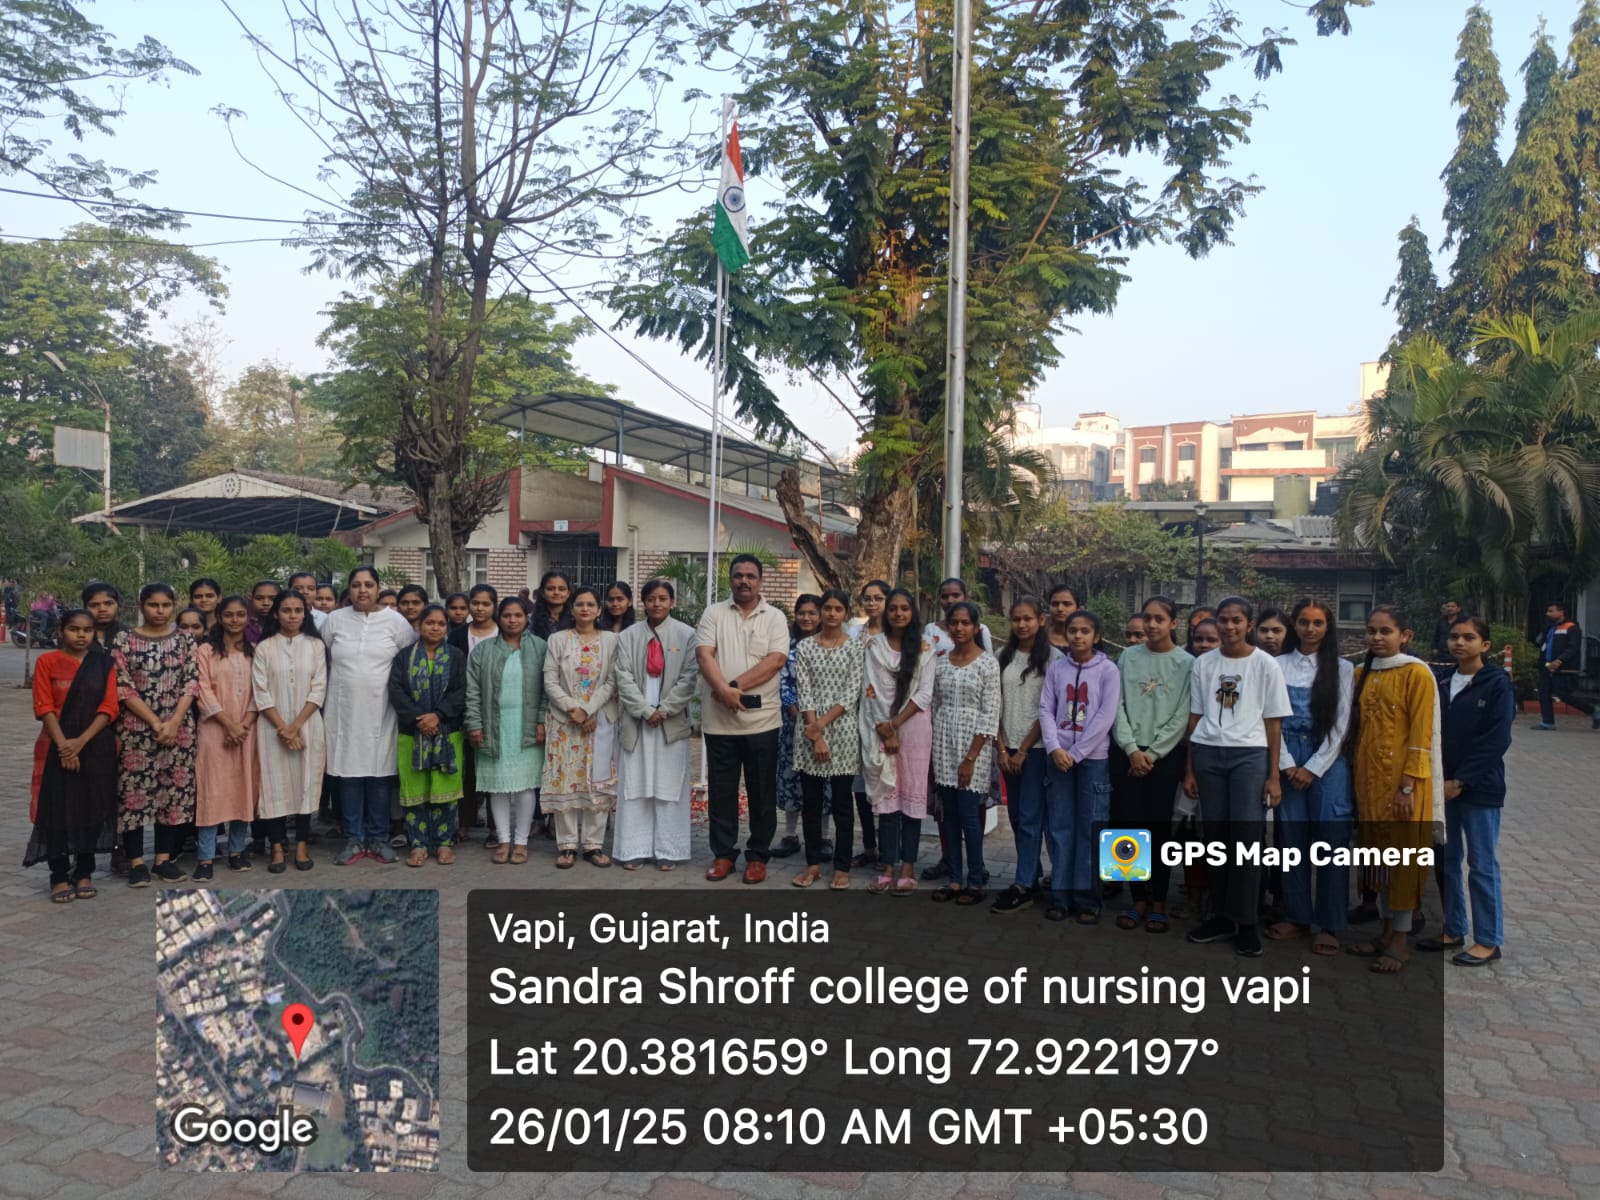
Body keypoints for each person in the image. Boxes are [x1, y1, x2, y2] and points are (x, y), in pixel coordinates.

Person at [1182, 596, 1292, 958]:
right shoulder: (1204, 663)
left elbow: (1273, 722)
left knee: (1246, 840)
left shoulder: (1265, 665)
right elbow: (1195, 717)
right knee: (1215, 839)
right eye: (1223, 620)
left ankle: (1246, 922)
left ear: (1249, 625)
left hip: (1250, 756)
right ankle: (1221, 916)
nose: (1229, 627)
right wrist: (1190, 769)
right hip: (1208, 754)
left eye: (1236, 621)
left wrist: (1273, 775)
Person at [1342, 605, 1443, 974]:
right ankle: (1385, 933)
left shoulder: (1416, 673)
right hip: (1369, 784)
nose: (1377, 637)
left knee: (1402, 862)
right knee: (1377, 862)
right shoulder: (1361, 673)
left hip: (1404, 784)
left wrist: (1408, 786)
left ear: (1405, 635)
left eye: (1386, 631)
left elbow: (1421, 733)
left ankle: (1400, 941)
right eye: (1371, 630)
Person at [1423, 615, 1516, 966]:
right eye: (1454, 637)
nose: (1460, 643)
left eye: (1469, 637)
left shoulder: (1497, 684)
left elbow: (1497, 739)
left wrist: (1461, 781)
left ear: (1485, 645)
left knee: (1481, 864)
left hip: (1479, 788)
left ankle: (1488, 941)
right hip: (1442, 788)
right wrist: (1440, 781)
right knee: (1446, 860)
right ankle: (1453, 928)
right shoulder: (1443, 680)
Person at [1265, 598, 1354, 955]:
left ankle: (1330, 923)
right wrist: (1287, 764)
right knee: (1291, 840)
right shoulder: (1276, 664)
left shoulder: (1342, 669)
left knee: (1332, 842)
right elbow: (1271, 718)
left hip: (1327, 760)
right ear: (1294, 625)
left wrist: (1313, 767)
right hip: (1285, 755)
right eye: (1304, 622)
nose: (1310, 629)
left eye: (1318, 623)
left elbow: (1341, 724)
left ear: (1328, 627)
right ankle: (1297, 916)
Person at [695, 554, 791, 884]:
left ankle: (758, 856)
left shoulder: (775, 617)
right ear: (730, 579)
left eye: (751, 576)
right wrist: (722, 691)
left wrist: (731, 688)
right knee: (722, 792)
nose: (744, 581)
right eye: (738, 575)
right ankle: (723, 855)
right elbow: (704, 654)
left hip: (762, 721)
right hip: (719, 723)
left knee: (761, 793)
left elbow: (776, 660)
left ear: (760, 581)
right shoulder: (714, 613)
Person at [1108, 596, 1193, 933]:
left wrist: (1153, 753)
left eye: (1160, 618)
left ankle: (1158, 901)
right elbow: (1116, 706)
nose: (1152, 624)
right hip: (1126, 753)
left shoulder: (1187, 663)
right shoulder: (1128, 657)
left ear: (1174, 623)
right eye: (1148, 618)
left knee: (1158, 828)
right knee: (1125, 826)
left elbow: (1183, 714)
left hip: (1164, 756)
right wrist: (1131, 749)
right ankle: (1135, 900)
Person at [323, 564, 418, 865]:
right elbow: (324, 658)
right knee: (349, 776)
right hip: (344, 712)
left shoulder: (396, 622)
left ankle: (378, 838)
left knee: (379, 776)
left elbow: (407, 663)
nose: (362, 590)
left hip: (382, 712)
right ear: (349, 589)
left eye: (368, 585)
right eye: (356, 585)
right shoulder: (335, 620)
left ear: (378, 588)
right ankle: (353, 838)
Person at [24, 609, 118, 903]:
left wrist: (80, 742)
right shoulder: (47, 661)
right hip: (55, 743)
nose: (81, 635)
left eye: (87, 630)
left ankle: (84, 871)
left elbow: (109, 706)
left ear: (94, 633)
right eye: (74, 629)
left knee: (92, 805)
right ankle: (59, 875)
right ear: (61, 631)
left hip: (96, 744)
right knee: (58, 807)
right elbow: (44, 705)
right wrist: (64, 745)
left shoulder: (104, 664)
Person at [113, 583, 201, 886]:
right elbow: (123, 685)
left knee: (172, 794)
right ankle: (137, 862)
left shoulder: (185, 640)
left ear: (174, 606)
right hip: (136, 731)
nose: (160, 611)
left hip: (179, 731)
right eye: (153, 605)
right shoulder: (124, 640)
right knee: (134, 795)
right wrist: (154, 721)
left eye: (166, 605)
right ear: (142, 606)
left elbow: (192, 682)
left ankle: (163, 860)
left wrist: (174, 722)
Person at [1038, 610, 1121, 922]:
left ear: (1096, 636)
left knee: (1091, 828)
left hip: (1093, 760)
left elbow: (1105, 716)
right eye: (1073, 630)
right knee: (1060, 828)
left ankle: (1088, 900)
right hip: (1058, 758)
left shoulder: (1108, 670)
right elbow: (1046, 708)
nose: (1077, 636)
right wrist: (1054, 747)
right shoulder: (1057, 668)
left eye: (1085, 631)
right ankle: (1060, 897)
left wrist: (1077, 753)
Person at [613, 579, 700, 870]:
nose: (657, 604)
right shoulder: (628, 636)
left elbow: (690, 677)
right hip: (637, 723)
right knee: (634, 786)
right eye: (651, 599)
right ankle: (633, 849)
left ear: (672, 602)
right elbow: (623, 677)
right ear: (643, 602)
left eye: (663, 598)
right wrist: (644, 710)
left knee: (668, 787)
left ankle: (668, 851)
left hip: (669, 725)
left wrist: (665, 710)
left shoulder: (686, 635)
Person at [860, 588, 936, 895]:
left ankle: (908, 867)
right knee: (887, 800)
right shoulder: (874, 645)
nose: (898, 613)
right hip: (879, 726)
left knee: (911, 800)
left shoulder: (925, 646)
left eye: (905, 608)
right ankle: (888, 866)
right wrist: (886, 729)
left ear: (912, 611)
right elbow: (871, 690)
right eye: (893, 608)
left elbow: (925, 694)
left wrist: (894, 725)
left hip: (914, 728)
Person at [990, 597, 1059, 913]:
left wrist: (1024, 750)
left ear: (1041, 620)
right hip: (1007, 749)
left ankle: (1024, 884)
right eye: (1017, 619)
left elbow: (1049, 710)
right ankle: (1030, 873)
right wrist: (1002, 748)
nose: (1022, 624)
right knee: (1017, 817)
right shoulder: (1000, 656)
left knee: (1031, 817)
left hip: (1037, 750)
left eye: (1028, 618)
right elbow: (994, 705)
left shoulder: (1054, 659)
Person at [542, 586, 620, 868]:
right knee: (565, 780)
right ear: (572, 609)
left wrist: (588, 710)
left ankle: (593, 845)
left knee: (597, 782)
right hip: (565, 722)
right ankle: (566, 845)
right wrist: (573, 709)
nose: (585, 609)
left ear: (599, 610)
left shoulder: (611, 640)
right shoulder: (558, 639)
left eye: (590, 604)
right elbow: (550, 680)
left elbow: (612, 681)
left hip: (599, 721)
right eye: (579, 604)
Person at [467, 596, 548, 864]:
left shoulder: (540, 648)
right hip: (493, 725)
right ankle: (503, 840)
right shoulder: (483, 650)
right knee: (497, 786)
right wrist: (474, 723)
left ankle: (521, 842)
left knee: (525, 787)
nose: (512, 620)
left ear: (526, 618)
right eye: (507, 615)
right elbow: (472, 691)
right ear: (499, 618)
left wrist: (541, 721)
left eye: (518, 615)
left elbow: (547, 690)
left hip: (527, 726)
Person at [929, 601, 1001, 905]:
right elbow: (935, 704)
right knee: (949, 817)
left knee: (970, 817)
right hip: (943, 746)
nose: (959, 628)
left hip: (974, 749)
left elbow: (990, 713)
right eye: (954, 622)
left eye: (965, 623)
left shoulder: (988, 664)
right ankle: (955, 879)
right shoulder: (940, 661)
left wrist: (970, 759)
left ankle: (975, 880)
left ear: (976, 627)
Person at [792, 588, 863, 889]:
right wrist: (814, 731)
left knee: (842, 804)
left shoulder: (855, 648)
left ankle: (842, 867)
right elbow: (804, 689)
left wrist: (820, 726)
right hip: (809, 730)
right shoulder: (806, 646)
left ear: (846, 613)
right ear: (820, 611)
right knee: (811, 802)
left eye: (838, 609)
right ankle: (812, 865)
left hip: (842, 730)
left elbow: (851, 692)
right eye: (827, 608)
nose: (832, 613)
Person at [252, 590, 327, 873]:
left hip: (308, 724)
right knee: (274, 787)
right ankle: (277, 847)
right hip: (272, 728)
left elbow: (319, 688)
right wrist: (283, 728)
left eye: (298, 610)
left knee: (305, 785)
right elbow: (260, 692)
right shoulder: (264, 648)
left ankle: (302, 846)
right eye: (286, 610)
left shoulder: (316, 646)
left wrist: (295, 727)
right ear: (276, 613)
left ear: (305, 614)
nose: (292, 615)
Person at [389, 604, 468, 867]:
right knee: (415, 791)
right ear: (419, 625)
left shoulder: (456, 656)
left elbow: (460, 691)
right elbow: (396, 691)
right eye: (430, 623)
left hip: (447, 732)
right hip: (413, 734)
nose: (435, 628)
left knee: (445, 790)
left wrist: (438, 715)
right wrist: (420, 719)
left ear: (447, 627)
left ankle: (444, 843)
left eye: (441, 624)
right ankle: (418, 845)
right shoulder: (404, 657)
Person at [194, 597, 259, 881]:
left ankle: (236, 851)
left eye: (240, 615)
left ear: (247, 618)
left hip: (247, 730)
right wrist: (228, 725)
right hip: (214, 730)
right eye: (229, 615)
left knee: (243, 788)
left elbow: (261, 691)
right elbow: (202, 689)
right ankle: (205, 856)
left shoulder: (254, 651)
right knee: (213, 790)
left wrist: (243, 725)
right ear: (219, 617)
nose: (235, 620)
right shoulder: (205, 651)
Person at [772, 594, 822, 859]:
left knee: (823, 780)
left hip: (824, 725)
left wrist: (816, 722)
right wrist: (798, 715)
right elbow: (782, 682)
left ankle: (824, 837)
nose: (806, 617)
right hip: (792, 725)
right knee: (790, 777)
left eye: (812, 613)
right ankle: (790, 835)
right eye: (802, 612)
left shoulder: (828, 645)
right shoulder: (787, 646)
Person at [448, 583, 499, 842]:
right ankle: (465, 823)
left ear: (494, 606)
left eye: (485, 604)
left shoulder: (503, 634)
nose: (480, 608)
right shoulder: (457, 635)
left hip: (497, 710)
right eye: (475, 603)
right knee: (466, 770)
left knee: (493, 769)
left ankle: (495, 827)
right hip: (464, 708)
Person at [848, 578, 892, 869]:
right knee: (861, 786)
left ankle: (889, 849)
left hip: (886, 716)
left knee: (886, 782)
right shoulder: (854, 633)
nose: (872, 603)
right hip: (855, 714)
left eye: (878, 598)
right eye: (867, 598)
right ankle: (869, 847)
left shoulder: (895, 635)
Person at [1531, 601, 1597, 730]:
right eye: (1548, 611)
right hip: (1547, 665)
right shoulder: (1549, 628)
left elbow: (1573, 648)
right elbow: (1543, 644)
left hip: (1563, 668)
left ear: (1561, 612)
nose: (1548, 614)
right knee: (1544, 693)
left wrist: (1559, 660)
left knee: (1563, 694)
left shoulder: (1571, 627)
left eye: (1551, 611)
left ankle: (1593, 710)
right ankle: (1547, 722)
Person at [930, 577, 994, 654]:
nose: (950, 600)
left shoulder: (981, 630)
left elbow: (989, 657)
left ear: (965, 597)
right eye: (944, 596)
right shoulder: (931, 630)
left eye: (956, 595)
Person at [530, 570, 574, 640]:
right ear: (542, 592)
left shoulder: (575, 620)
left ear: (568, 593)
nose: (556, 592)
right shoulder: (531, 621)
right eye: (550, 589)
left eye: (561, 589)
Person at [81, 581, 123, 654]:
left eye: (108, 603)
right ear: (85, 608)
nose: (102, 609)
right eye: (94, 605)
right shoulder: (76, 636)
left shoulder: (131, 636)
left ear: (118, 606)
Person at [245, 579, 281, 645]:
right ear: (251, 599)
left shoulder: (288, 626)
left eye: (272, 599)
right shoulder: (243, 626)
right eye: (259, 598)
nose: (265, 603)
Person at [1046, 584, 1079, 653]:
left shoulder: (1086, 640)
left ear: (1077, 609)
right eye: (1055, 604)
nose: (1060, 609)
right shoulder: (1038, 637)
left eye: (1067, 604)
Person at [1431, 599, 1462, 664]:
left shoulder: (1463, 622)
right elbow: (1436, 636)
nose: (1450, 608)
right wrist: (1434, 649)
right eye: (1448, 606)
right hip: (1441, 654)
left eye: (1452, 606)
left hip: (1457, 653)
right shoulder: (1440, 621)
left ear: (1458, 609)